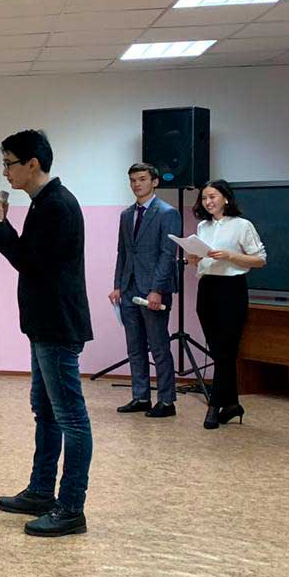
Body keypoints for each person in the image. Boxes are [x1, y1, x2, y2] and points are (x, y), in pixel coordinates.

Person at [0, 130, 93, 538]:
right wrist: (3, 226)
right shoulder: (43, 202)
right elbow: (35, 259)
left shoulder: (57, 206)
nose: (5, 172)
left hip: (57, 325)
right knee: (45, 411)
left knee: (71, 418)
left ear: (33, 164)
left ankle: (71, 508)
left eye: (10, 163)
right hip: (44, 324)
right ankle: (42, 491)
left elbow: (31, 263)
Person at [187, 180, 267, 430]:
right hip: (207, 288)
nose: (208, 202)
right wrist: (192, 257)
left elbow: (260, 259)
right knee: (219, 351)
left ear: (226, 198)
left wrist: (230, 255)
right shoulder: (203, 226)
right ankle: (232, 404)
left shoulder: (242, 225)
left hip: (231, 289)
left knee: (226, 351)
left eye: (212, 197)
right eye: (204, 198)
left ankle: (214, 405)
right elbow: (199, 262)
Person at [110, 163, 182, 418]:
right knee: (135, 346)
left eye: (142, 179)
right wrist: (118, 285)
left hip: (153, 290)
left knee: (159, 346)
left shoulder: (167, 213)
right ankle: (140, 396)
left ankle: (166, 401)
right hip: (129, 288)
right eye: (133, 180)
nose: (136, 184)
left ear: (154, 182)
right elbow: (123, 252)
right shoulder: (126, 215)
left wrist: (157, 289)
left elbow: (167, 255)